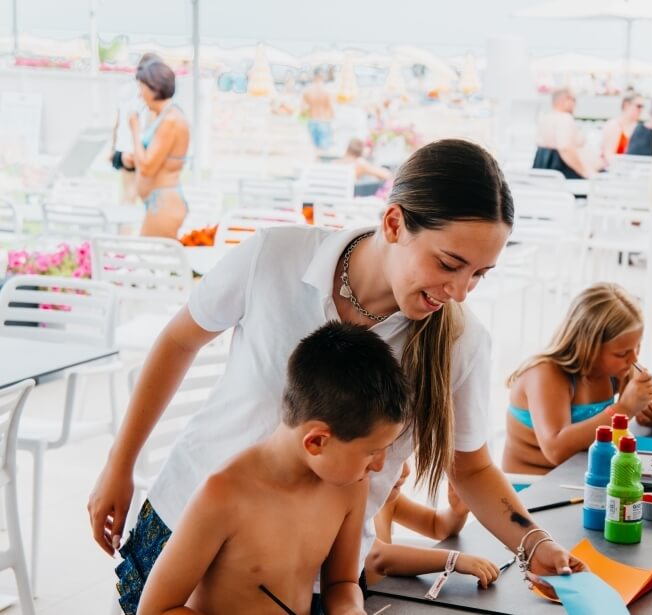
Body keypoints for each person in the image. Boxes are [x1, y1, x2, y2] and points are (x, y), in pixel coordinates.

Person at [88, 139, 586, 615]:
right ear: (394, 223)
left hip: (310, 573)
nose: (460, 291)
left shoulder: (461, 342)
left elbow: (471, 468)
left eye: (480, 274)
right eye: (449, 263)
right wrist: (119, 462)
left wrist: (532, 540)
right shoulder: (275, 257)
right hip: (182, 526)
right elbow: (180, 341)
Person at [138, 322, 410, 615]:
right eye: (372, 452)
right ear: (317, 441)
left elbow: (342, 582)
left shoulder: (351, 485)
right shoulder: (222, 496)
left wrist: (350, 611)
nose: (381, 465)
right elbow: (156, 609)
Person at [503, 283, 652, 476]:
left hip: (582, 480)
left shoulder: (619, 368)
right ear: (588, 346)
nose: (634, 358)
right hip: (532, 488)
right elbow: (555, 450)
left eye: (637, 347)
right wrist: (624, 409)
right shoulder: (546, 374)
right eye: (622, 353)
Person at [365, 461, 499, 590]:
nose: (407, 470)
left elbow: (436, 526)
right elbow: (378, 557)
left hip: (387, 595)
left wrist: (457, 511)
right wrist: (453, 560)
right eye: (396, 460)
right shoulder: (353, 507)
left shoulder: (389, 501)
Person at [129, 60, 190, 238]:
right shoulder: (163, 117)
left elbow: (148, 168)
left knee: (149, 260)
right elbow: (154, 158)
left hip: (164, 204)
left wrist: (134, 130)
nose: (140, 95)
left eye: (141, 88)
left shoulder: (171, 120)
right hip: (158, 201)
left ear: (153, 88)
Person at [109, 52, 160, 205]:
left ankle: (122, 227)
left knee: (127, 195)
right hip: (138, 150)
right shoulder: (151, 92)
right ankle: (130, 227)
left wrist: (112, 148)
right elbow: (151, 127)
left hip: (123, 147)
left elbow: (116, 123)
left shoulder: (125, 90)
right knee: (141, 196)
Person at [533, 88, 590, 179]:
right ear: (565, 100)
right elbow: (565, 148)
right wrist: (585, 172)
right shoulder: (564, 118)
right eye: (573, 99)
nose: (575, 104)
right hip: (561, 172)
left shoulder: (546, 118)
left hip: (543, 169)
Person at [600, 92, 645, 168]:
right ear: (626, 105)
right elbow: (608, 156)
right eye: (639, 106)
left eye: (642, 107)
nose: (641, 110)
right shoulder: (613, 126)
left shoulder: (639, 128)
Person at [303, 68, 335, 151]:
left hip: (312, 120)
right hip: (324, 120)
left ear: (314, 77)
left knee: (314, 150)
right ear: (322, 77)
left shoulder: (307, 91)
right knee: (325, 150)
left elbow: (303, 109)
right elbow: (331, 108)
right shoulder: (327, 91)